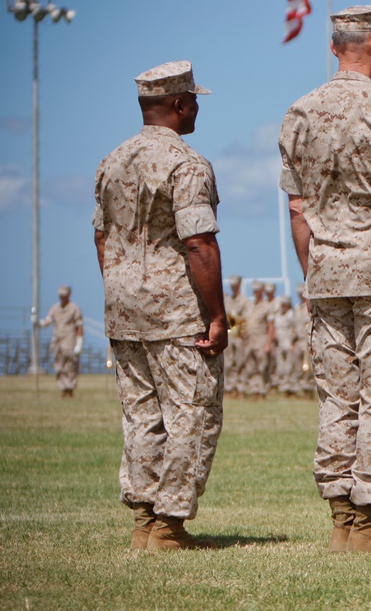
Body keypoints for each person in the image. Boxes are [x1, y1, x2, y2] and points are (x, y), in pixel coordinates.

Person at [279, 4, 371, 555]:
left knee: (337, 398)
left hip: (325, 271)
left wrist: (313, 271)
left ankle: (342, 520)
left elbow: (298, 210)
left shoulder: (299, 111)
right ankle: (368, 523)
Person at [92, 60, 226, 551]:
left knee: (140, 412)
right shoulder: (186, 164)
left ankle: (143, 521)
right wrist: (216, 315)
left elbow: (103, 237)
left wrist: (120, 288)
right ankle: (168, 526)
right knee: (192, 411)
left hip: (123, 306)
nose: (195, 109)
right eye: (193, 101)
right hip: (175, 309)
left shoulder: (112, 160)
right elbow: (199, 244)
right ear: (177, 104)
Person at [39, 285, 83, 398]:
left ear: (69, 295)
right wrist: (39, 323)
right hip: (57, 340)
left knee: (70, 365)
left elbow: (79, 326)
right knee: (59, 365)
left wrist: (79, 343)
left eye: (64, 295)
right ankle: (63, 388)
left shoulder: (74, 308)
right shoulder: (55, 308)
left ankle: (70, 389)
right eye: (61, 296)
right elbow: (47, 321)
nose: (62, 298)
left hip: (70, 340)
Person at [240, 281, 270, 400]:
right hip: (249, 341)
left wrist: (269, 343)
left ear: (262, 291)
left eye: (258, 290)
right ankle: (254, 390)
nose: (255, 293)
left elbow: (271, 326)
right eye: (254, 290)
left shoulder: (267, 306)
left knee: (262, 366)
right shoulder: (249, 305)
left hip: (261, 340)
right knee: (250, 366)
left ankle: (262, 390)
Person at [268, 296, 300, 397]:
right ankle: (283, 387)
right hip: (280, 345)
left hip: (289, 343)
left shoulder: (291, 315)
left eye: (285, 304)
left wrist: (293, 343)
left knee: (290, 367)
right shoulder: (277, 316)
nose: (283, 306)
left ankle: (292, 388)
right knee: (281, 367)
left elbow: (295, 330)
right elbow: (274, 329)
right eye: (282, 304)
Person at [224, 274, 247, 397]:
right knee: (228, 363)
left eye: (235, 285)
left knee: (240, 362)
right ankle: (229, 387)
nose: (233, 287)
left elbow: (245, 318)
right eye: (232, 285)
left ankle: (240, 388)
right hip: (229, 335)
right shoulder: (227, 299)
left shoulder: (244, 300)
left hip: (239, 336)